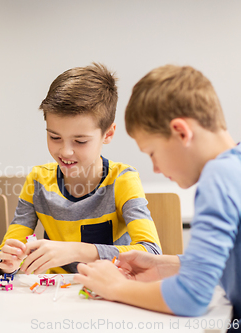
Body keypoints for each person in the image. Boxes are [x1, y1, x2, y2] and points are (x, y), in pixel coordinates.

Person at [72, 65, 240, 329]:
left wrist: (115, 287)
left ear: (181, 132)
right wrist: (165, 265)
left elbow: (191, 297)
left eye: (152, 152)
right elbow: (225, 261)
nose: (156, 169)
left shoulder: (218, 177)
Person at [0, 63, 161, 276]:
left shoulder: (122, 180)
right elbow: (2, 254)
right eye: (54, 137)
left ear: (108, 134)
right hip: (55, 295)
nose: (65, 151)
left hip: (109, 293)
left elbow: (151, 253)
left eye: (80, 141)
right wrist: (7, 263)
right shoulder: (38, 180)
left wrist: (75, 250)